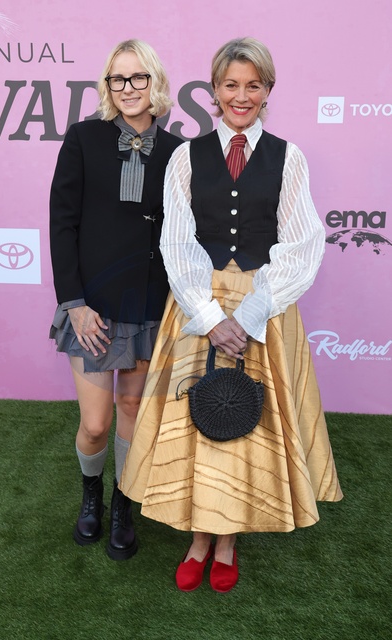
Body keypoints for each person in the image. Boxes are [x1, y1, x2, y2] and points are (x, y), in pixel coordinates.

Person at [120, 37, 343, 590]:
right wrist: (210, 315)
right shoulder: (185, 157)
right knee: (201, 417)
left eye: (253, 85)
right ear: (214, 91)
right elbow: (177, 242)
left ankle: (227, 541)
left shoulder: (289, 157)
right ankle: (199, 538)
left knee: (246, 420)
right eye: (230, 85)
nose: (241, 96)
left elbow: (302, 243)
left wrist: (250, 315)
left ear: (268, 90)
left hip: (266, 303)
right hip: (199, 303)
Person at [49, 39, 182, 560]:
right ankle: (92, 496)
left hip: (148, 302)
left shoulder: (177, 151)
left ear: (156, 82)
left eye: (138, 77)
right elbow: (62, 223)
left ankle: (124, 505)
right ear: (107, 86)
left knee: (131, 407)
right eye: (118, 78)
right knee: (95, 423)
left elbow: (183, 233)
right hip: (93, 306)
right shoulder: (83, 138)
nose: (128, 88)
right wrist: (74, 302)